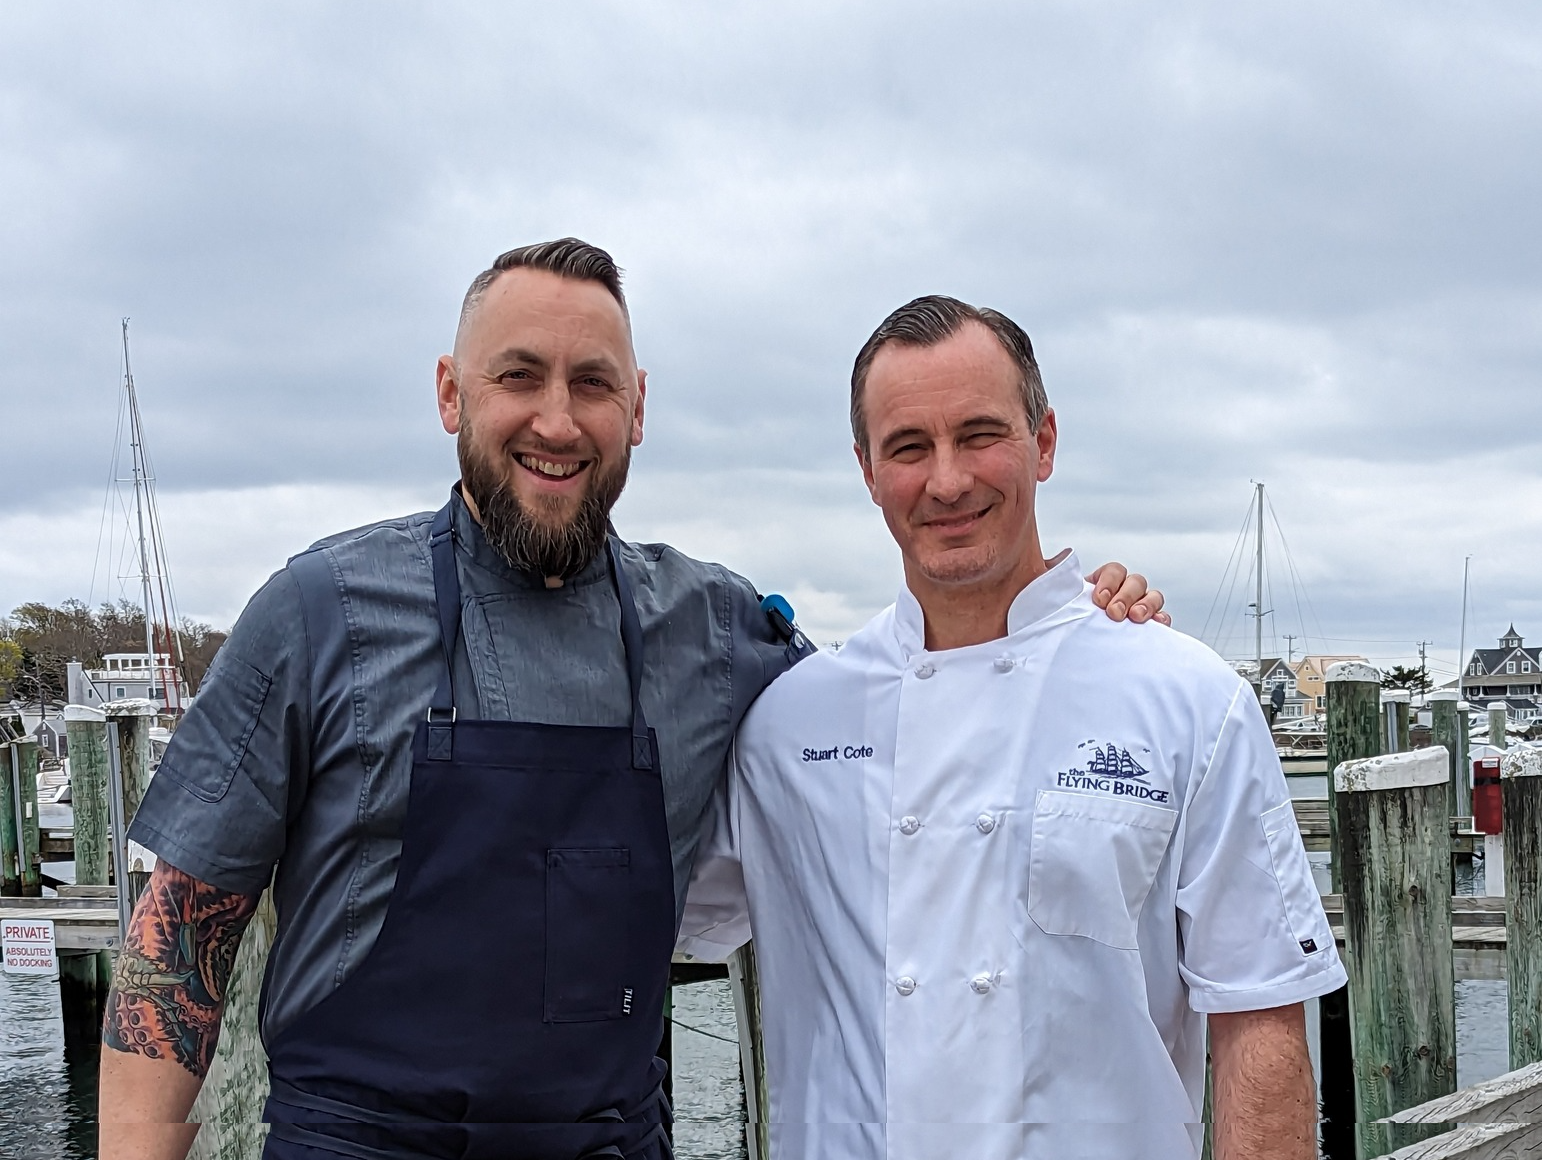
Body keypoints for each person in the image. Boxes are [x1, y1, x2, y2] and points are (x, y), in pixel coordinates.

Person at [96, 240, 1166, 1160]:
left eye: (593, 384)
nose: (558, 420)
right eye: (520, 376)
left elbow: (919, 702)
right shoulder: (317, 612)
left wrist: (1069, 622)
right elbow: (177, 942)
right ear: (451, 393)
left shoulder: (719, 632)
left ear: (638, 408)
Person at [678, 295, 1346, 1160]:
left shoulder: (1188, 700)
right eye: (908, 447)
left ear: (1045, 441)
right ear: (867, 470)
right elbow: (642, 919)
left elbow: (1260, 1020)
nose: (947, 481)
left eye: (980, 434)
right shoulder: (786, 726)